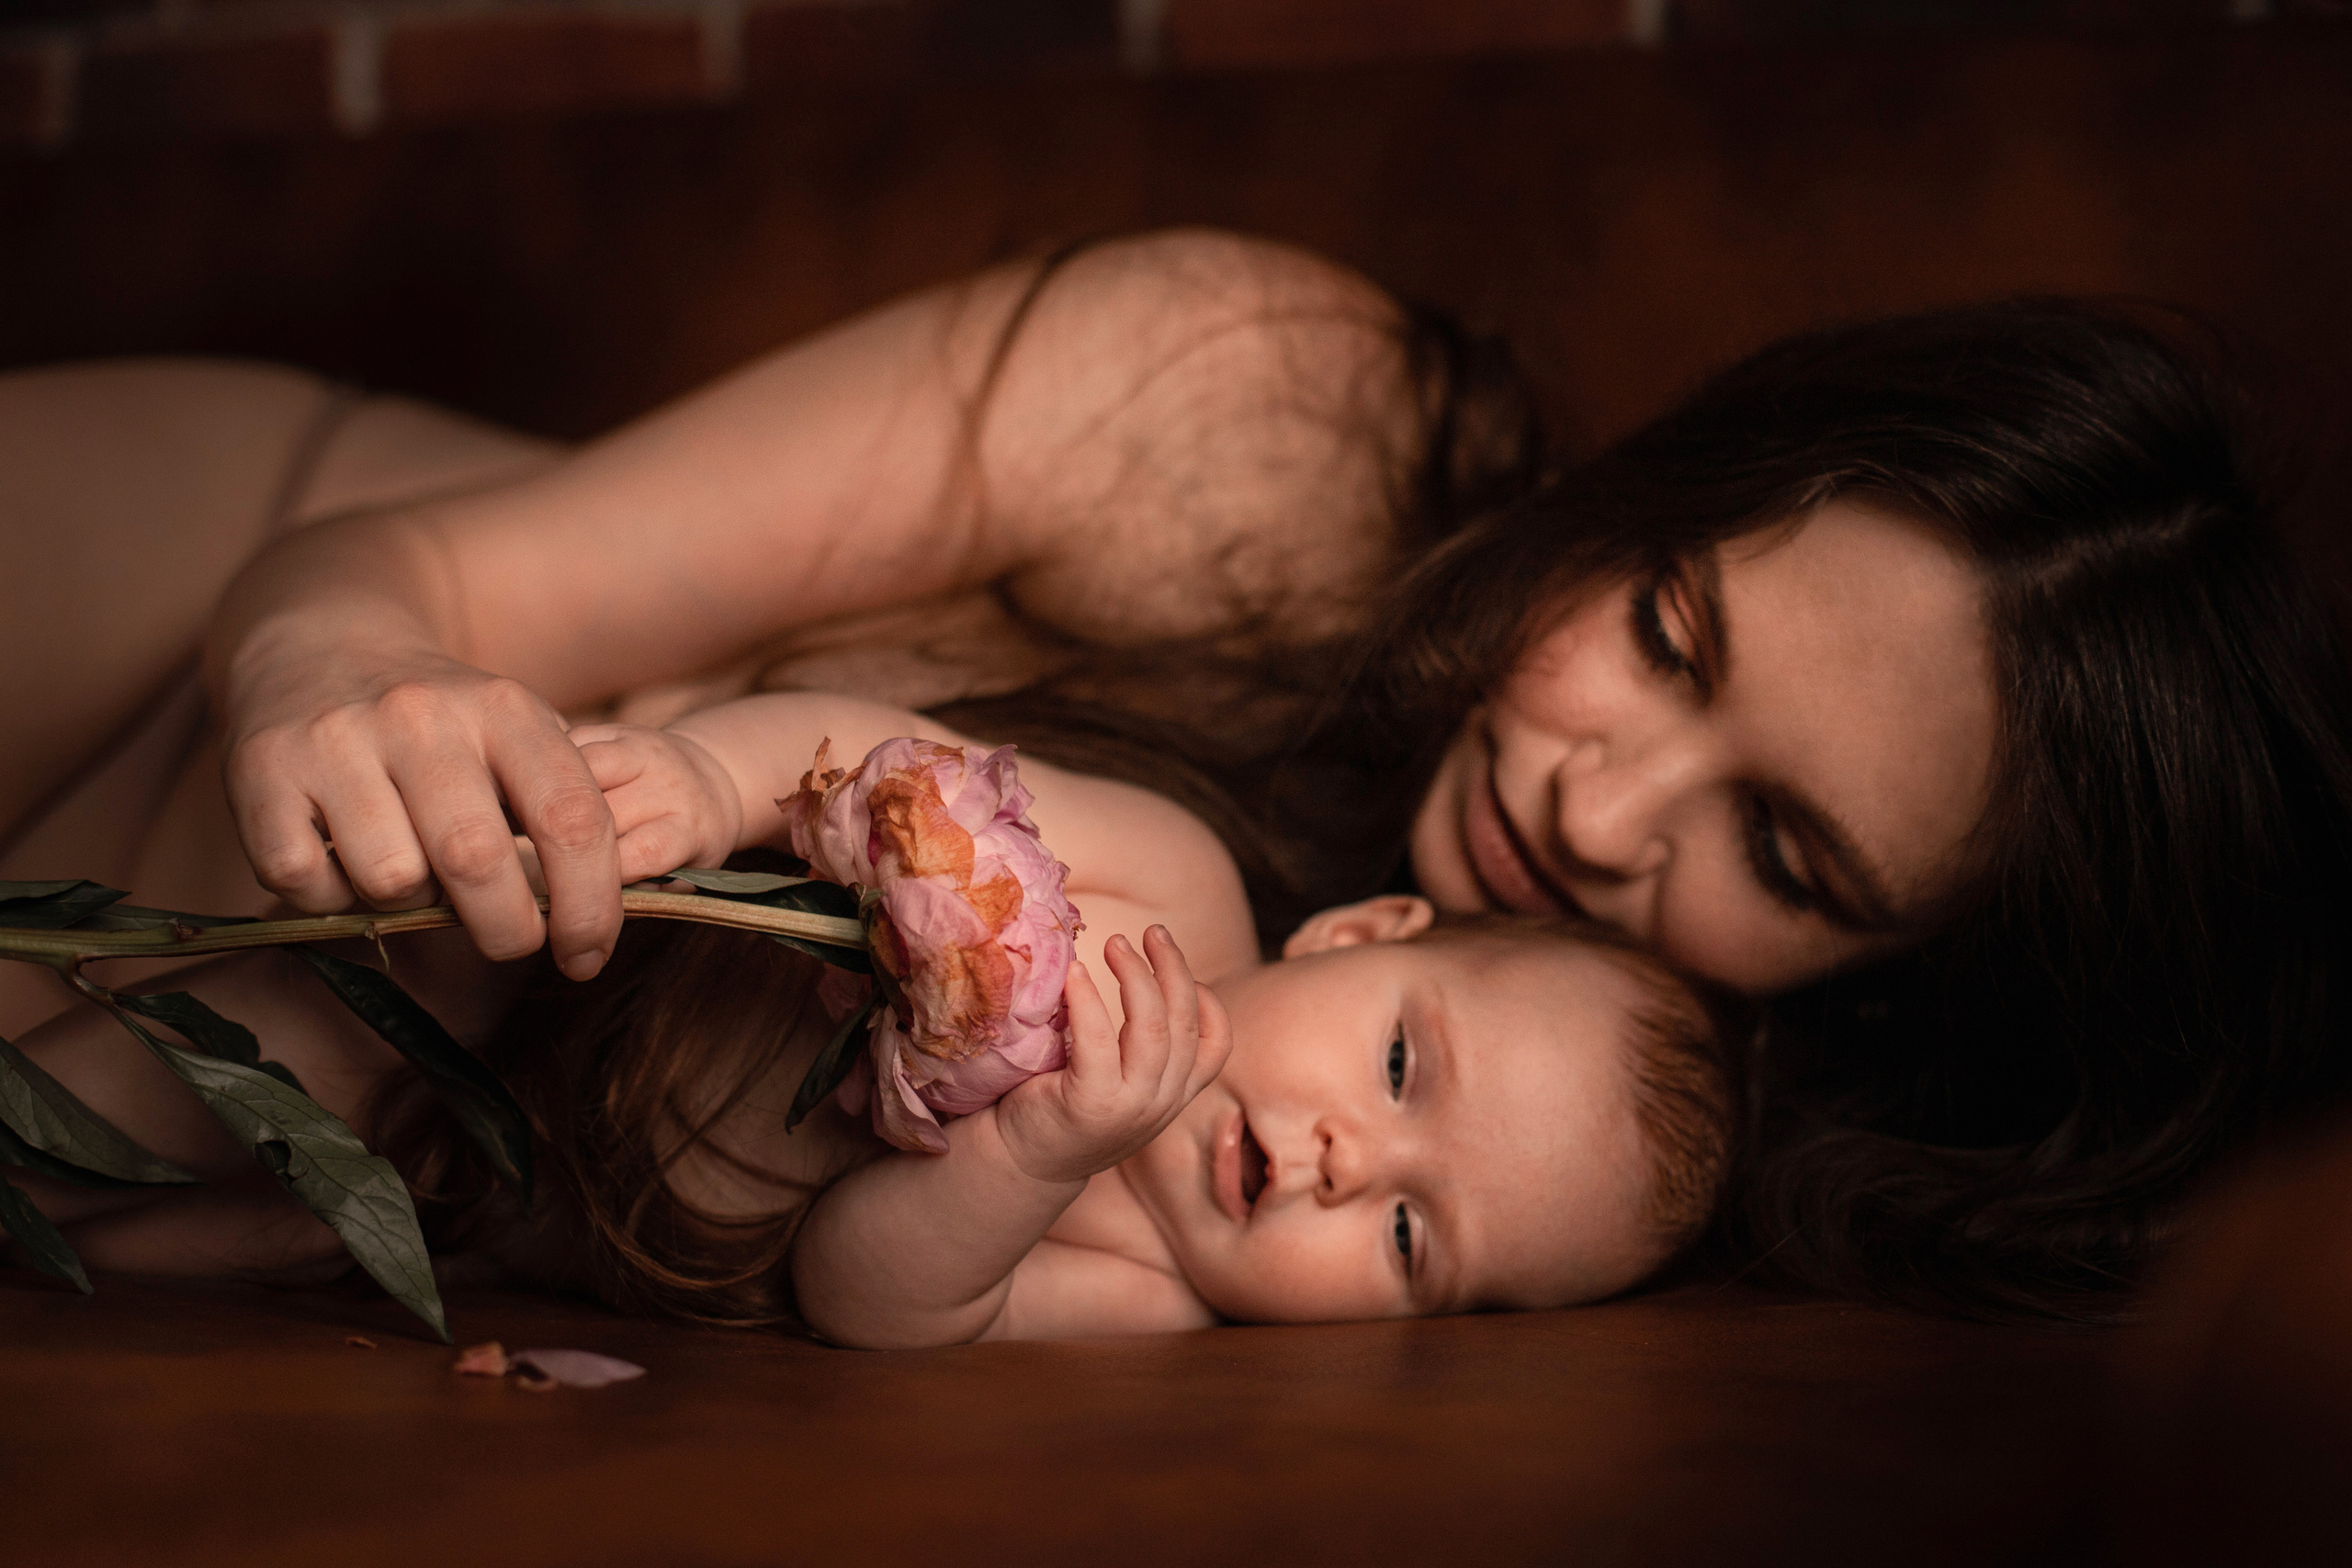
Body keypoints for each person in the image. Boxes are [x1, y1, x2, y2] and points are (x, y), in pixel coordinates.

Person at [5, 228, 2346, 1317]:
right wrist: (335, 665)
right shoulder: (1248, 409)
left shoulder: (1531, 1167)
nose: (1601, 811)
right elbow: (431, 571)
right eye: (1662, 633)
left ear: (1883, 978)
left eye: (1786, 850)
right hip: (193, 585)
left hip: (268, 1022)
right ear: (1662, 489)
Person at [5, 693, 1739, 1341]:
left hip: (498, 1203)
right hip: (529, 974)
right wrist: (714, 776)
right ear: (1358, 932)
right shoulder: (1180, 889)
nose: (1348, 1163)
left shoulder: (1148, 1291)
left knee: (171, 1253)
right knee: (140, 1088)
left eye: (1414, 1238)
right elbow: (898, 772)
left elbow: (865, 1292)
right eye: (1399, 1064)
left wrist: (1040, 1158)